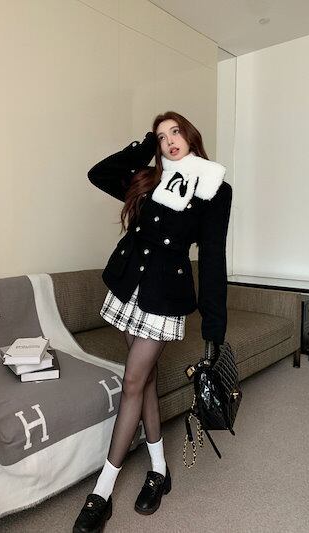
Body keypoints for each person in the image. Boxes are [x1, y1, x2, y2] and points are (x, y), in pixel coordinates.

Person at [73, 111, 232, 532]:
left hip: (164, 297)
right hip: (129, 288)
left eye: (175, 132)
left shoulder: (214, 187)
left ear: (191, 135)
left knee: (132, 382)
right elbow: (99, 174)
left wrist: (214, 327)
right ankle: (159, 470)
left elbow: (213, 258)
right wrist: (144, 147)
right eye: (161, 137)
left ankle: (102, 491)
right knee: (143, 382)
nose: (170, 141)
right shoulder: (150, 178)